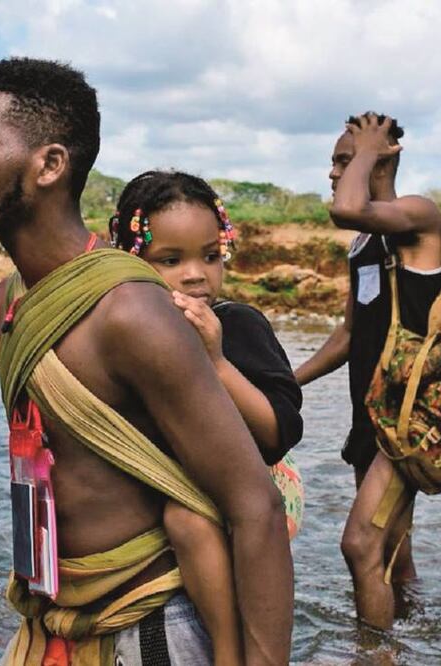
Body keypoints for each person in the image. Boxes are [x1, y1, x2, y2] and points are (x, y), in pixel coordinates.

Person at [0, 57, 292, 665]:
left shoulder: (130, 312)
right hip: (51, 617)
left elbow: (253, 505)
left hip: (148, 627)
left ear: (50, 164)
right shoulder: (6, 302)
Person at [293, 112, 441, 630]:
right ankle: (417, 633)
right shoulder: (364, 246)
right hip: (372, 416)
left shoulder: (419, 219)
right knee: (393, 557)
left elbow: (347, 208)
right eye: (336, 162)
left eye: (343, 160)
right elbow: (349, 335)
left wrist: (367, 151)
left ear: (385, 155)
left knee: (359, 546)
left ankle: (375, 656)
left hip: (411, 421)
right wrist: (289, 384)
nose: (335, 173)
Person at [109, 170, 304, 665]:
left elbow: (278, 432)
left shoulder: (238, 325)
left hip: (264, 484)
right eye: (171, 260)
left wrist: (216, 360)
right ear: (130, 261)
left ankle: (227, 649)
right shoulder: (132, 332)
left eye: (211, 257)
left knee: (185, 518)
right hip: (194, 484)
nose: (196, 274)